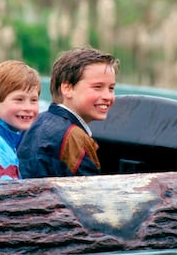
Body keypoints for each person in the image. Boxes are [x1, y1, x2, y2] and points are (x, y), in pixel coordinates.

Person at [18, 47, 120, 178]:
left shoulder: (35, 121)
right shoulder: (74, 137)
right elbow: (90, 194)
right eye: (97, 87)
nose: (108, 96)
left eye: (111, 88)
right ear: (67, 88)